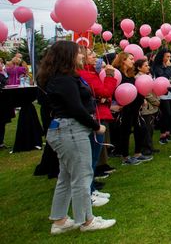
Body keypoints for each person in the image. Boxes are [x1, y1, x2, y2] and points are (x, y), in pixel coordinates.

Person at [38, 41, 116, 234]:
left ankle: (60, 220)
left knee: (66, 176)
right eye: (79, 53)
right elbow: (75, 108)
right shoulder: (63, 80)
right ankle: (87, 221)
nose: (82, 56)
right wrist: (96, 126)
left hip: (66, 130)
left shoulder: (62, 77)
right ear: (68, 56)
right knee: (82, 176)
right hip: (71, 130)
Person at [76, 47, 118, 203]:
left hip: (98, 113)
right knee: (91, 157)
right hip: (94, 117)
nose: (95, 58)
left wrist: (103, 98)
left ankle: (91, 188)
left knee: (93, 155)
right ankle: (89, 191)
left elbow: (103, 95)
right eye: (91, 55)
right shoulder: (85, 74)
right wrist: (109, 76)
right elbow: (105, 92)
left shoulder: (91, 72)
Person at [113, 52, 149, 165]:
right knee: (125, 131)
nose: (133, 61)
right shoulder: (118, 74)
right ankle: (125, 157)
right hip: (125, 108)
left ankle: (137, 153)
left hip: (135, 107)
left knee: (141, 128)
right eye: (131, 59)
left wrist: (142, 98)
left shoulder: (130, 74)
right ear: (123, 60)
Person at [152, 49, 171, 145]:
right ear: (162, 57)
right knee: (166, 113)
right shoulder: (157, 67)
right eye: (167, 57)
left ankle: (168, 133)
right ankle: (162, 135)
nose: (169, 58)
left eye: (170, 57)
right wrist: (168, 71)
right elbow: (162, 77)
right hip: (163, 93)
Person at [135, 59, 160, 156]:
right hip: (146, 107)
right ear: (139, 67)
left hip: (151, 106)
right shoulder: (138, 78)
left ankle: (150, 147)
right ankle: (145, 148)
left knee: (150, 128)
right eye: (145, 66)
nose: (148, 67)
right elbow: (146, 94)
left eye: (148, 65)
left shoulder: (147, 76)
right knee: (146, 128)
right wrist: (156, 102)